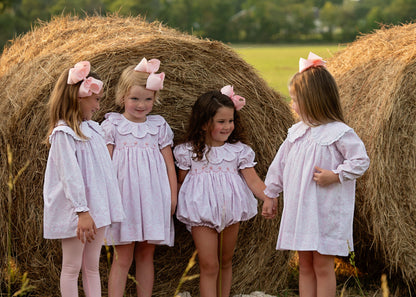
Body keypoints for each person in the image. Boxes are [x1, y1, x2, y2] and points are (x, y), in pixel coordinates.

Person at [262, 52, 370, 297]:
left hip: (323, 212)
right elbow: (279, 166)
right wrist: (270, 194)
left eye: (295, 100)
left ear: (314, 100)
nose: (292, 105)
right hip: (301, 211)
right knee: (304, 265)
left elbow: (361, 160)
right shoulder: (296, 133)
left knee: (322, 265)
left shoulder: (339, 132)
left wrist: (336, 174)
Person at [174, 86, 275, 297]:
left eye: (230, 121)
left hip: (232, 211)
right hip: (201, 213)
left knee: (226, 261)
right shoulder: (189, 152)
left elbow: (253, 180)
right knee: (209, 264)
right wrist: (170, 204)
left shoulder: (238, 151)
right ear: (203, 123)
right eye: (221, 121)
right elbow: (180, 182)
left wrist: (269, 197)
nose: (227, 126)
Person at [43, 61, 125, 297]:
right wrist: (82, 211)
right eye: (96, 100)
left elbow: (103, 172)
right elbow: (70, 176)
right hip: (78, 212)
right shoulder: (63, 133)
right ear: (78, 97)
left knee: (92, 267)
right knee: (71, 267)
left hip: (96, 209)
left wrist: (100, 207)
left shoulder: (94, 129)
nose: (99, 106)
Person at [102, 58, 177, 297]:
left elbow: (169, 164)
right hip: (124, 200)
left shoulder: (158, 126)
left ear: (155, 99)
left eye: (148, 99)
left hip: (154, 198)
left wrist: (173, 196)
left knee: (146, 255)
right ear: (122, 96)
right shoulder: (113, 125)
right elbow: (104, 166)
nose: (141, 105)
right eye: (135, 98)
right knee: (122, 257)